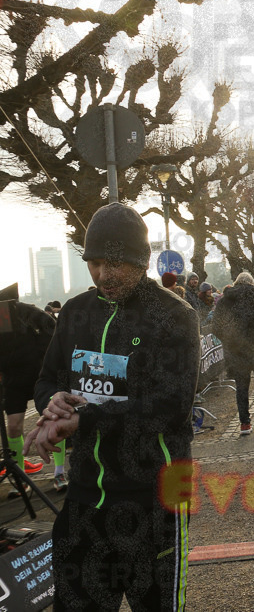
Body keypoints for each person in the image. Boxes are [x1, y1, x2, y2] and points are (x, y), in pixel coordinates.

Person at [27, 202, 198, 610]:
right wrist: (51, 402)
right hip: (85, 502)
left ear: (141, 262)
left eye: (115, 264)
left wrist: (83, 420)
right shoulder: (74, 313)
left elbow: (169, 407)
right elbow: (47, 379)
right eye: (95, 263)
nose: (104, 275)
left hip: (153, 501)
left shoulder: (173, 316)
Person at [212, 271, 254, 437]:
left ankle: (244, 424)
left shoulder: (225, 300)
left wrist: (229, 340)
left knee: (241, 387)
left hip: (236, 351)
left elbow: (215, 327)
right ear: (251, 282)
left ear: (236, 282)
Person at [0, 298, 54, 481]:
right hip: (12, 380)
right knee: (13, 427)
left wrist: (40, 353)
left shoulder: (20, 309)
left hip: (37, 376)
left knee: (51, 419)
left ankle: (60, 472)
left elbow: (50, 325)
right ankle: (19, 478)